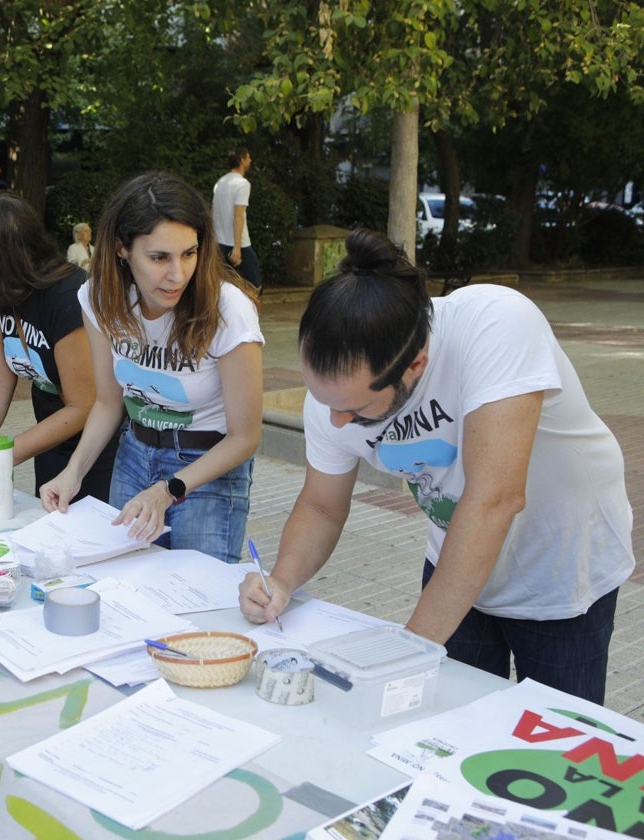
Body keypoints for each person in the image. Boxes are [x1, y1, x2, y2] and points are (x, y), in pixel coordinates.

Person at [238, 228, 633, 704]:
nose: (336, 420)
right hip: (457, 562)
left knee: (551, 747)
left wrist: (404, 652)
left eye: (355, 408)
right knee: (448, 727)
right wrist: (282, 578)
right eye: (323, 399)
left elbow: (494, 499)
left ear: (416, 364)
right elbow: (321, 507)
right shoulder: (334, 398)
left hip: (563, 570)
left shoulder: (494, 324)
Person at [40, 172, 265, 564]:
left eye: (189, 254)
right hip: (134, 454)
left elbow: (245, 437)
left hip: (206, 470)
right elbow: (109, 402)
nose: (177, 274)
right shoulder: (100, 298)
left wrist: (169, 489)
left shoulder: (229, 309)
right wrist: (73, 473)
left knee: (196, 605)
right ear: (122, 249)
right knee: (126, 588)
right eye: (159, 257)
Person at [0, 193, 117, 499]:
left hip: (98, 447)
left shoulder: (67, 297)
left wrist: (7, 454)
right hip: (50, 437)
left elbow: (84, 404)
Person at [211, 146, 261, 290]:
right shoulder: (242, 184)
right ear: (242, 160)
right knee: (254, 286)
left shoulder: (220, 182)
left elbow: (213, 212)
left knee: (225, 286)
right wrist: (237, 248)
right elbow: (238, 215)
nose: (250, 160)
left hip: (219, 243)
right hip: (238, 245)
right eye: (248, 157)